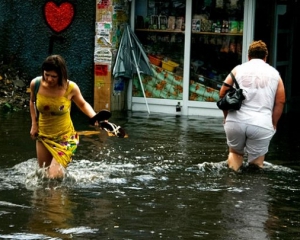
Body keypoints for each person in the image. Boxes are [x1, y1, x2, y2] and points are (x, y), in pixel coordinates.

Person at [219, 40, 286, 171]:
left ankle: (231, 185)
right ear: (265, 57)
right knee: (256, 165)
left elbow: (222, 93)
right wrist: (273, 123)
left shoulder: (238, 69)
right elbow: (281, 101)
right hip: (261, 123)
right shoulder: (275, 74)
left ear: (248, 56)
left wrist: (227, 117)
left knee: (235, 154)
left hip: (235, 122)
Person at [29, 55, 97, 179]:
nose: (49, 79)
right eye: (46, 74)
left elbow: (82, 104)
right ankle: (51, 198)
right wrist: (34, 124)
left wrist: (95, 117)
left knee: (53, 176)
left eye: (53, 76)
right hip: (43, 135)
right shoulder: (36, 84)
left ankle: (60, 195)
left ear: (61, 75)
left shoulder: (70, 88)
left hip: (65, 138)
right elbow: (32, 102)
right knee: (43, 176)